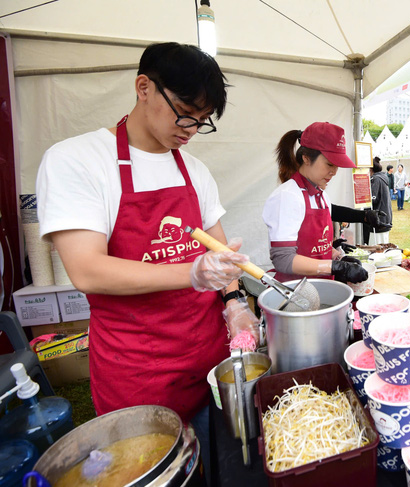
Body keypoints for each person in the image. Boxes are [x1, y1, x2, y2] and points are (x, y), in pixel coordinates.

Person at [35, 42, 256, 477]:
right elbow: (87, 269)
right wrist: (190, 272)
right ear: (144, 87)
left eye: (203, 119)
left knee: (218, 467)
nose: (193, 128)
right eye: (186, 112)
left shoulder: (195, 170)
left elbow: (222, 254)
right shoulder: (78, 160)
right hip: (138, 376)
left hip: (209, 364)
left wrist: (235, 302)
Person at [262, 122, 376, 284]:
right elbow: (284, 259)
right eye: (329, 164)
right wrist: (336, 267)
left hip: (323, 288)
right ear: (306, 158)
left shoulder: (322, 196)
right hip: (295, 294)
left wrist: (338, 257)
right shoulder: (287, 196)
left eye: (337, 166)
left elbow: (314, 247)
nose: (334, 172)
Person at [367, 158, 392, 244]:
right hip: (385, 216)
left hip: (379, 218)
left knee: (377, 248)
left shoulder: (376, 179)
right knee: (383, 246)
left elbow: (373, 199)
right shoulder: (382, 177)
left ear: (370, 169)